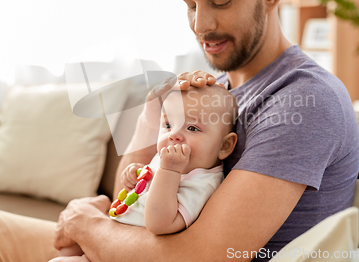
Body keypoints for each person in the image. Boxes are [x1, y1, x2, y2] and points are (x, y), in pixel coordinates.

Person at [0, 0, 359, 261]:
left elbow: (206, 256)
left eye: (220, 0)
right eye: (190, 4)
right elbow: (132, 186)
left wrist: (87, 226)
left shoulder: (302, 97)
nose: (200, 25)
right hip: (133, 243)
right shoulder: (216, 91)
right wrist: (155, 110)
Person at [58, 85, 238, 260]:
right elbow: (135, 193)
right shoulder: (167, 158)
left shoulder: (202, 183)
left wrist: (169, 170)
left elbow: (158, 223)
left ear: (225, 146)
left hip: (129, 252)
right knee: (65, 247)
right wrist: (134, 175)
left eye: (192, 128)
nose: (173, 134)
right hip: (111, 237)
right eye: (168, 124)